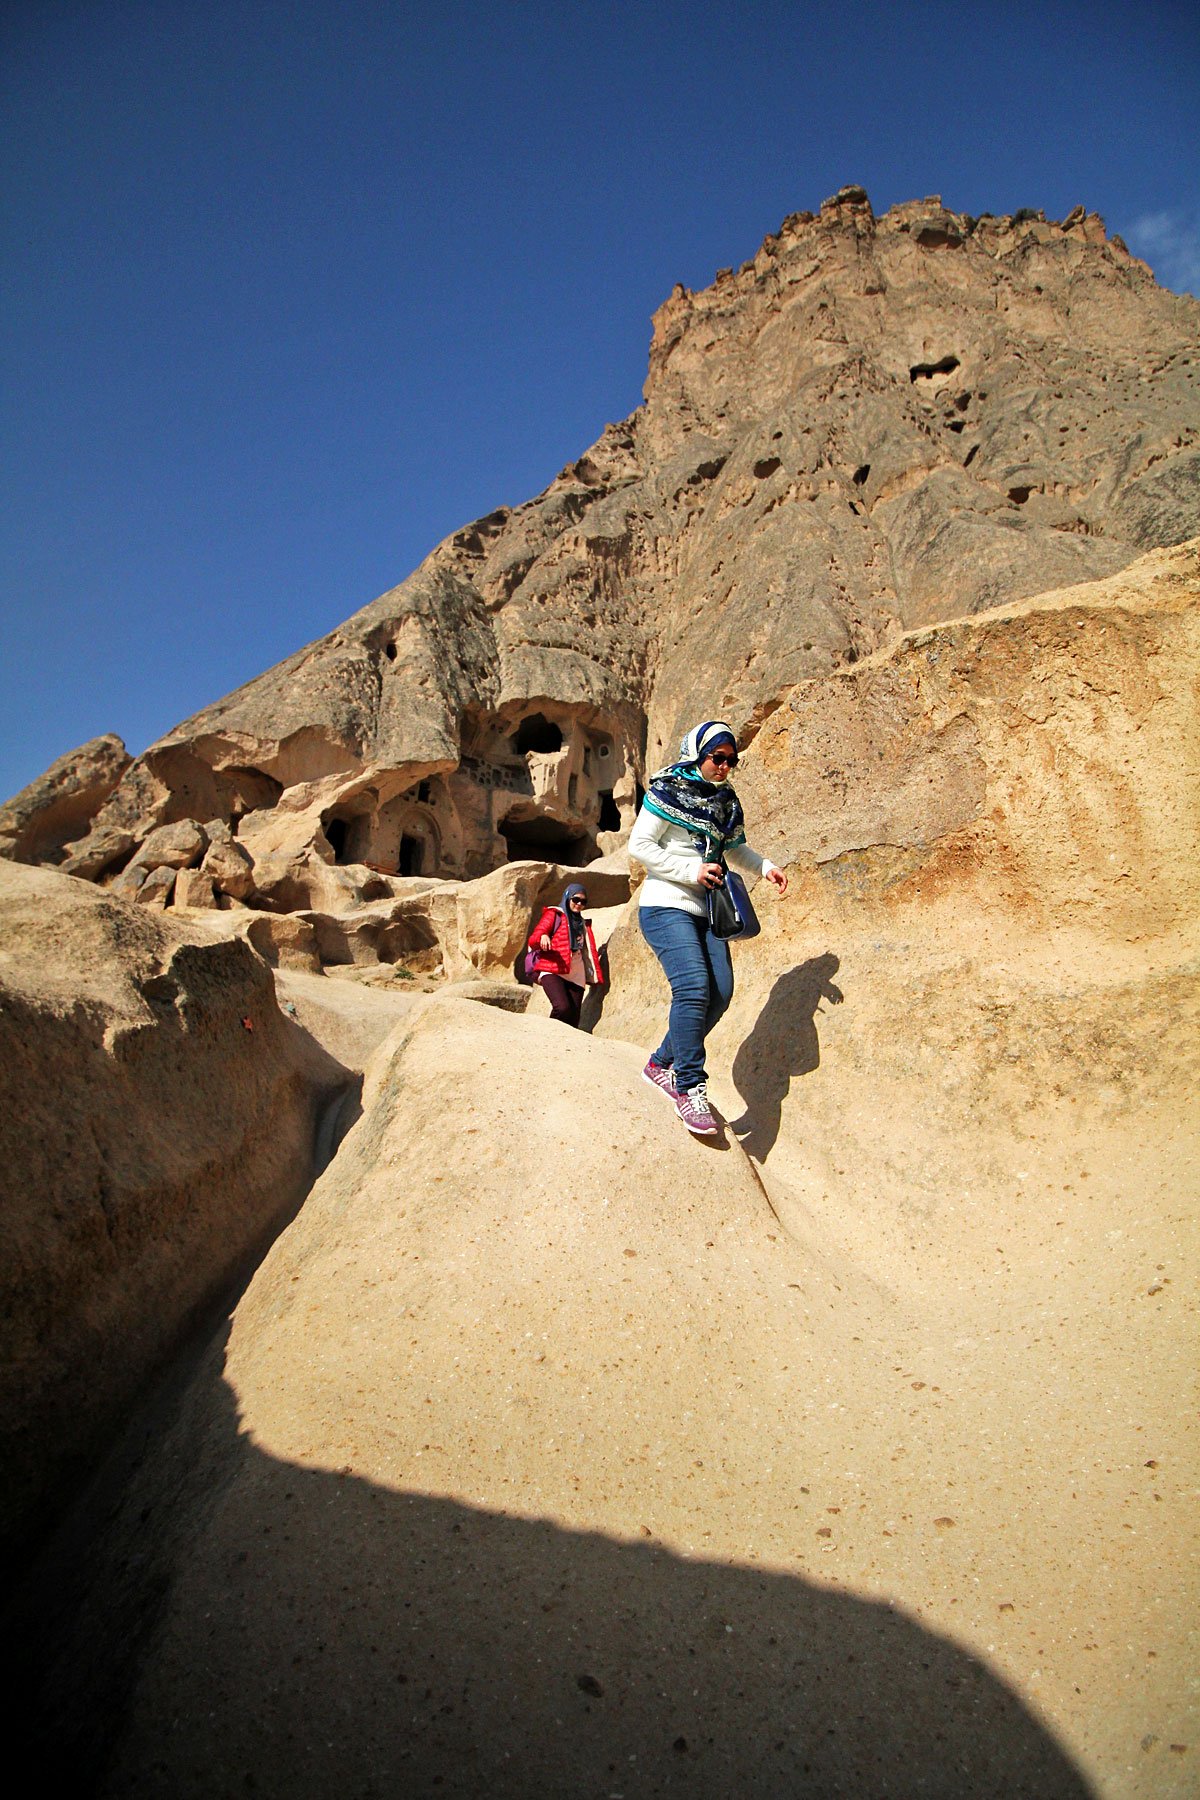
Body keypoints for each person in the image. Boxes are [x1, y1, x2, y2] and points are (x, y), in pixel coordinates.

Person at [629, 719, 788, 1134]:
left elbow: (734, 848)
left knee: (721, 992)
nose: (725, 767)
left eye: (731, 761)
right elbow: (639, 846)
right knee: (694, 987)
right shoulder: (667, 789)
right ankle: (689, 1086)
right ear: (698, 754)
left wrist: (766, 867)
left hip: (707, 912)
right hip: (665, 905)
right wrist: (690, 869)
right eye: (718, 758)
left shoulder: (724, 801)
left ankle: (660, 1063)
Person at [526, 882, 606, 1027]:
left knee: (573, 1018)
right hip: (553, 967)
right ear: (567, 897)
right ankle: (548, 1035)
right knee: (562, 1008)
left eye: (583, 901)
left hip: (576, 972)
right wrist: (543, 936)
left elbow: (585, 948)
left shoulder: (581, 922)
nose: (579, 904)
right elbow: (534, 938)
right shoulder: (554, 914)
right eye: (576, 900)